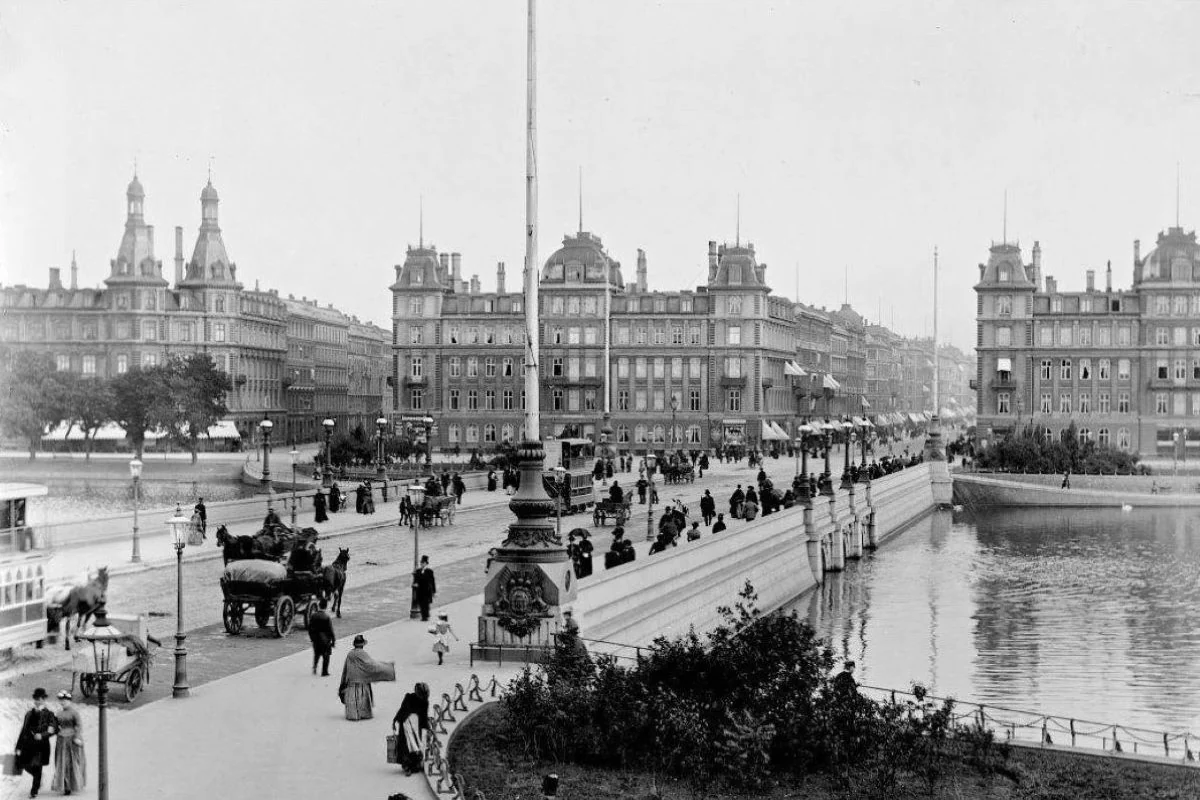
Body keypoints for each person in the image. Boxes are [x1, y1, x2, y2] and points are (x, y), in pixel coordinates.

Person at [338, 634, 396, 720]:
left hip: (351, 680)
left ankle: (353, 715)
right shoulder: (363, 653)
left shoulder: (350, 654)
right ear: (362, 645)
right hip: (362, 679)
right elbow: (371, 665)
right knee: (362, 696)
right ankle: (364, 713)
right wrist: (387, 667)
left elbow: (346, 668)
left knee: (353, 697)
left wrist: (343, 680)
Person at [14, 687, 56, 798]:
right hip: (28, 744)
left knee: (37, 766)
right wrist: (18, 746)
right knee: (22, 764)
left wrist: (42, 735)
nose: (38, 701)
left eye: (40, 699)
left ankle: (34, 791)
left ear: (44, 700)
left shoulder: (49, 714)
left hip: (41, 746)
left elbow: (52, 729)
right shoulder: (28, 714)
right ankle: (38, 777)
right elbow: (23, 730)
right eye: (36, 699)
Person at [392, 682, 431, 775]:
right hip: (406, 725)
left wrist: (428, 728)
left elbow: (424, 716)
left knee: (416, 745)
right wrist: (395, 721)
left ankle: (415, 764)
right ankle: (407, 765)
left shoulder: (425, 702)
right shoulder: (409, 698)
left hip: (417, 727)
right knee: (406, 745)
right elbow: (402, 710)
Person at [51, 691, 84, 796]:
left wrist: (77, 737)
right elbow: (55, 726)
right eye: (61, 701)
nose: (63, 702)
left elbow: (78, 725)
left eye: (65, 700)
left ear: (69, 701)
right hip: (61, 741)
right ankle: (64, 786)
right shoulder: (59, 714)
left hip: (72, 740)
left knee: (72, 763)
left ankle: (72, 785)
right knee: (61, 763)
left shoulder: (74, 713)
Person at [308, 599, 336, 676]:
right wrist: (333, 641)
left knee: (316, 654)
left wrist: (312, 638)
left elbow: (310, 628)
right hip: (325, 640)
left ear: (319, 606)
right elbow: (330, 630)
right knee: (326, 656)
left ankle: (314, 667)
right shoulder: (327, 617)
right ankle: (324, 671)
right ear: (326, 606)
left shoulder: (313, 616)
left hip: (316, 639)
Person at [412, 555, 436, 621]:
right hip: (420, 590)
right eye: (421, 563)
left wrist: (434, 591)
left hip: (427, 590)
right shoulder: (418, 571)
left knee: (426, 603)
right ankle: (425, 615)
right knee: (421, 604)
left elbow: (432, 582)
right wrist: (415, 584)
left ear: (426, 564)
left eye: (423, 563)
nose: (422, 564)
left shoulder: (429, 571)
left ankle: (425, 617)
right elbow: (415, 580)